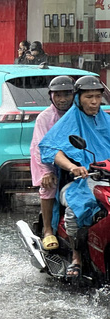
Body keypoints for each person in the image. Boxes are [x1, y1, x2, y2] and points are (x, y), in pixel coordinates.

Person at [39, 75, 110, 277]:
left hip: (108, 178)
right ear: (79, 98)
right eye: (89, 97)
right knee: (78, 209)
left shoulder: (106, 120)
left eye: (98, 96)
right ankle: (77, 256)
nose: (94, 102)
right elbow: (51, 149)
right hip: (81, 181)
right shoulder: (70, 120)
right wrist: (72, 167)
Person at [29, 75, 75, 251]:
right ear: (51, 96)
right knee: (49, 186)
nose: (62, 99)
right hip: (50, 163)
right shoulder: (45, 118)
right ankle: (48, 230)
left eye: (67, 94)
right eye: (58, 95)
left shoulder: (80, 114)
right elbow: (40, 147)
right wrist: (47, 171)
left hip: (80, 161)